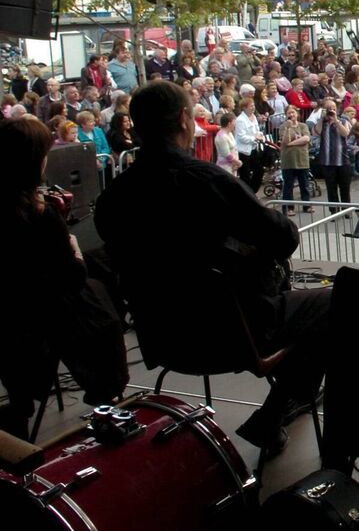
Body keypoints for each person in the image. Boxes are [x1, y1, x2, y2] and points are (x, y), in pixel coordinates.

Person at [95, 81, 329, 453]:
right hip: (234, 333)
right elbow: (284, 238)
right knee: (334, 302)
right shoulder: (207, 180)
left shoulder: (111, 200)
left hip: (164, 336)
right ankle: (278, 410)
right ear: (185, 121)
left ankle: (283, 402)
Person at [0, 116, 127, 439]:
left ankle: (20, 404)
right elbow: (70, 277)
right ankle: (105, 401)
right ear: (34, 160)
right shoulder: (40, 214)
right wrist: (74, 251)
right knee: (100, 310)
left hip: (12, 318)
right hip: (40, 314)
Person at [314, 99, 353, 204]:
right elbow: (317, 132)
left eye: (334, 108)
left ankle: (346, 209)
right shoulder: (323, 123)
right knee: (331, 189)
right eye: (329, 109)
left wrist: (336, 120)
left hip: (342, 160)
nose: (331, 111)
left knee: (345, 188)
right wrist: (322, 118)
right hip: (327, 162)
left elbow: (345, 133)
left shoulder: (343, 121)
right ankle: (334, 211)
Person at [278, 105, 314, 216]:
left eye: (293, 112)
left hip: (302, 159)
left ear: (297, 113)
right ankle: (289, 207)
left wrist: (291, 144)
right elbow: (284, 142)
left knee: (304, 184)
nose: (291, 115)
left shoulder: (303, 126)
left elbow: (306, 139)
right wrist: (289, 129)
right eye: (289, 113)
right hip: (288, 160)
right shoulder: (283, 126)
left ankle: (306, 205)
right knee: (288, 185)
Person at [233, 96, 266, 191]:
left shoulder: (254, 117)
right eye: (250, 106)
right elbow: (241, 137)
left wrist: (260, 136)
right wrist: (254, 138)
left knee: (259, 171)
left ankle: (253, 191)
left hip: (253, 149)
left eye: (253, 105)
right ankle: (246, 194)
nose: (253, 107)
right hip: (243, 151)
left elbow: (257, 130)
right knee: (245, 175)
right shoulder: (240, 120)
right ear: (244, 107)